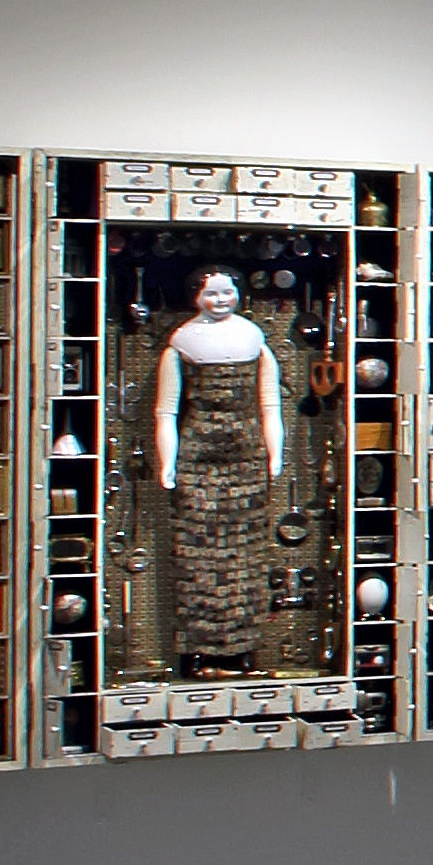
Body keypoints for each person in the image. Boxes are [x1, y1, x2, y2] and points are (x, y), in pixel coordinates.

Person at [148, 266, 285, 672]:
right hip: (197, 457)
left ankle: (243, 649)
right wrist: (168, 463)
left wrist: (275, 453)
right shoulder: (180, 344)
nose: (220, 300)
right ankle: (196, 650)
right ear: (196, 296)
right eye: (212, 293)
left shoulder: (255, 341)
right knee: (195, 556)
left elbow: (270, 406)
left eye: (227, 292)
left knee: (248, 556)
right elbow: (166, 411)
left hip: (246, 457)